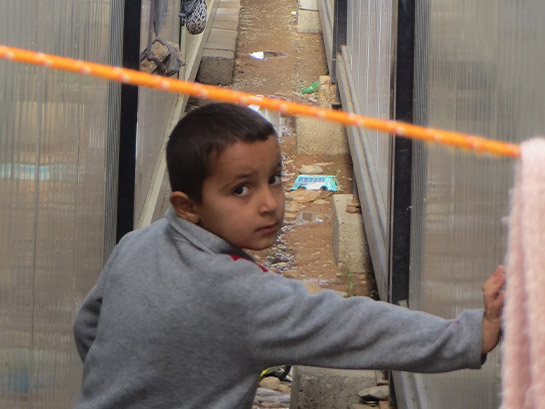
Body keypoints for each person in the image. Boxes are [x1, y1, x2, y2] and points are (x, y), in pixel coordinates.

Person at [73, 102, 505, 409]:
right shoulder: (242, 295)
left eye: (274, 178)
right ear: (188, 206)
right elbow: (352, 326)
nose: (269, 203)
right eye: (240, 189)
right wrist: (470, 335)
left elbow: (88, 327)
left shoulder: (136, 245)